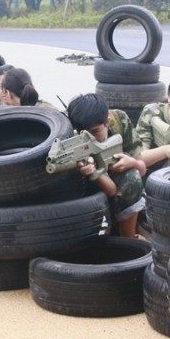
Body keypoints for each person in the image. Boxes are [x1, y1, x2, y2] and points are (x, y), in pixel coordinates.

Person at [66, 93, 146, 238]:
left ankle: (129, 238)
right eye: (85, 135)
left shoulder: (119, 121)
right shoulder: (72, 139)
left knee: (132, 177)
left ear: (107, 122)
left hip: (114, 187)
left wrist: (131, 162)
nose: (90, 139)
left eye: (95, 132)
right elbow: (110, 190)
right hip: (83, 194)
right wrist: (92, 172)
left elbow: (142, 168)